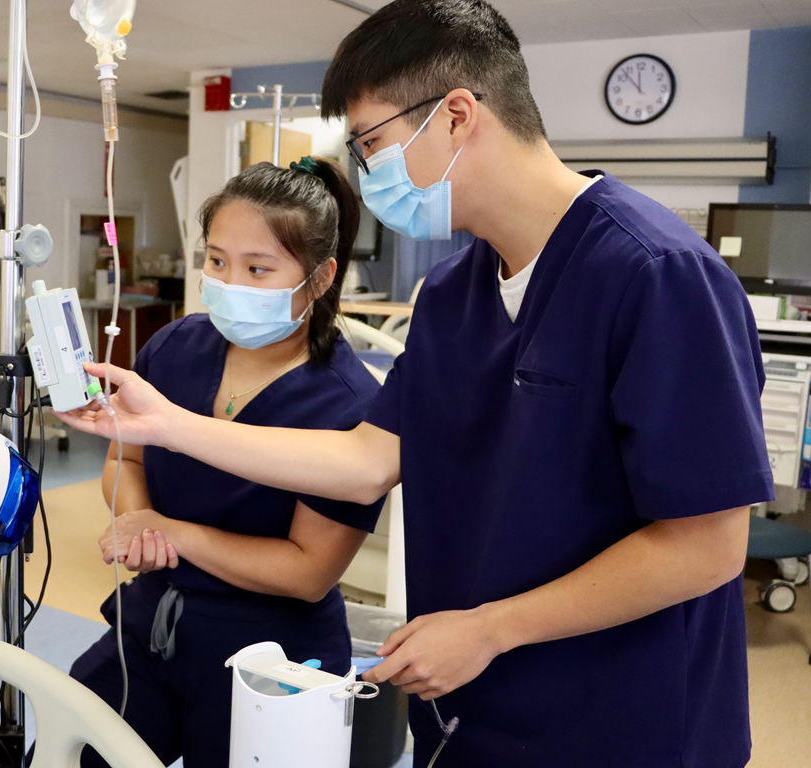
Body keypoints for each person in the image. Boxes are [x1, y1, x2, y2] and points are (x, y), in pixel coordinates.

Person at [56, 1, 774, 766]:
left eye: (373, 144)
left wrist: (493, 626)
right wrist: (163, 424)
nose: (367, 175)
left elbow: (707, 548)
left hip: (623, 717)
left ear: (457, 116)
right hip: (469, 704)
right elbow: (366, 460)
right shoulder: (454, 292)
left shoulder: (657, 274)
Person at [65, 157, 386, 768]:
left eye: (258, 268)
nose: (230, 283)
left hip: (274, 656)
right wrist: (142, 524)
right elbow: (124, 461)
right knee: (70, 747)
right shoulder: (177, 345)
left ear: (319, 279)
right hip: (153, 625)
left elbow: (307, 571)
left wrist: (176, 535)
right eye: (217, 261)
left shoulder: (348, 405)